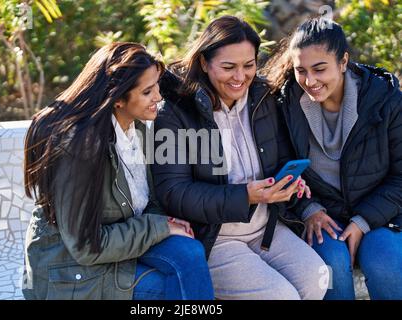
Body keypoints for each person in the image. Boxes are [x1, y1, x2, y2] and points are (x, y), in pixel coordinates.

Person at [152, 16, 328, 300]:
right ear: (204, 64)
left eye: (249, 65)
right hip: (213, 238)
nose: (240, 77)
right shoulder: (174, 110)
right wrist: (245, 196)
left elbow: (280, 157)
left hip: (266, 229)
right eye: (228, 67)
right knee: (280, 296)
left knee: (317, 279)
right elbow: (173, 192)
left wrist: (289, 185)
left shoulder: (262, 97)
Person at [22, 42, 214, 300]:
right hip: (72, 271)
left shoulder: (139, 130)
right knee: (171, 288)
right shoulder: (80, 149)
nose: (158, 97)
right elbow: (86, 247)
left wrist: (164, 222)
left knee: (191, 252)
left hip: (121, 243)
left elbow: (147, 200)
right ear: (118, 99)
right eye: (147, 92)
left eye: (156, 86)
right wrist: (158, 227)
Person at [263, 17, 402, 300]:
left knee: (384, 261)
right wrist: (308, 208)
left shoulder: (385, 100)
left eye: (320, 69)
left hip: (380, 214)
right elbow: (279, 168)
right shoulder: (284, 103)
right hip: (321, 216)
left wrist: (363, 221)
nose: (310, 81)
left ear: (343, 62)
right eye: (301, 70)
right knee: (331, 266)